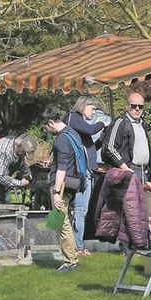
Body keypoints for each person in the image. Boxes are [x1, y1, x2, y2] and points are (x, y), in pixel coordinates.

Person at [41, 107, 85, 272]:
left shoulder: (61, 139)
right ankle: (70, 258)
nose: (47, 131)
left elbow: (62, 168)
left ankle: (70, 262)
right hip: (73, 182)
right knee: (60, 221)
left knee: (62, 221)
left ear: (51, 122)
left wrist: (56, 192)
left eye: (46, 128)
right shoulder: (72, 133)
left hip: (63, 184)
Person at [66, 96, 106, 257]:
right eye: (92, 109)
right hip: (79, 174)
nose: (94, 112)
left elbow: (90, 147)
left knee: (75, 210)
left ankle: (74, 244)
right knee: (80, 210)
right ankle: (78, 247)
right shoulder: (74, 119)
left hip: (83, 172)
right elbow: (91, 130)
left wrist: (103, 139)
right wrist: (103, 123)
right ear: (82, 106)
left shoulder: (79, 126)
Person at [102, 92, 151, 183]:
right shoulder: (121, 122)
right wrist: (125, 168)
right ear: (127, 107)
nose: (137, 109)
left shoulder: (142, 124)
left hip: (143, 172)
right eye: (134, 106)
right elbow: (110, 147)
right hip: (127, 171)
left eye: (140, 106)